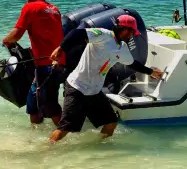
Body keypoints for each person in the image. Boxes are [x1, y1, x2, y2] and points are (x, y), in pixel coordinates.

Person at [47, 14, 163, 143]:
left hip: (94, 91)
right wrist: (61, 49)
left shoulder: (122, 48)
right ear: (124, 29)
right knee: (65, 128)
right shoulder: (103, 35)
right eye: (131, 32)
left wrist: (151, 72)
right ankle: (46, 150)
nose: (132, 36)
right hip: (77, 87)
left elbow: (133, 64)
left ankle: (97, 148)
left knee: (111, 123)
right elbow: (76, 33)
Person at [2, 0, 64, 126]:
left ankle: (66, 135)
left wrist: (5, 40)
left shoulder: (30, 7)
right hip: (57, 63)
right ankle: (34, 137)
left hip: (47, 65)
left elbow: (16, 35)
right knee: (33, 105)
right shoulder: (54, 9)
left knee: (50, 105)